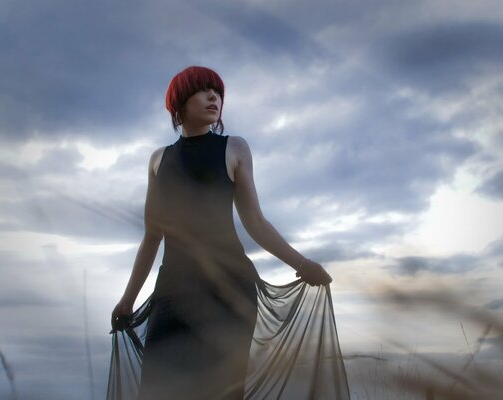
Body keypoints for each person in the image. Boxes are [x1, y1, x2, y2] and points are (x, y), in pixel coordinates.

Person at [107, 66, 350, 400]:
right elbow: (152, 236)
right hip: (172, 292)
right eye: (203, 90)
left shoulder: (234, 149)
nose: (213, 97)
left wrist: (303, 264)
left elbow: (256, 223)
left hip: (229, 291)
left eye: (217, 91)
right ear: (179, 101)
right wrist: (127, 300)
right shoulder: (159, 160)